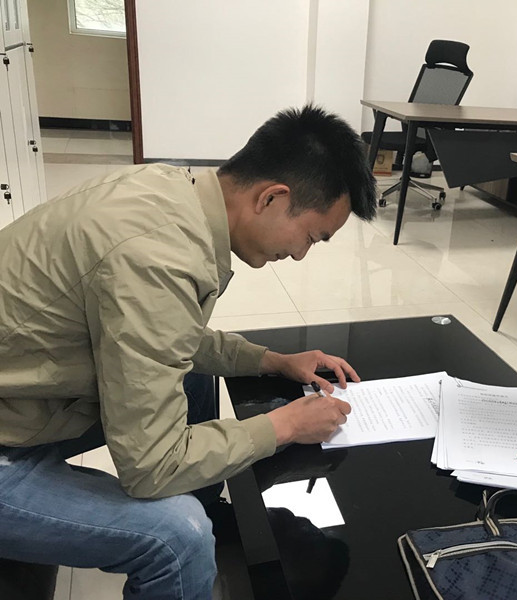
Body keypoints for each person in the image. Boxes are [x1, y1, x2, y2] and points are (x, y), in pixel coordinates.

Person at [0, 105, 377, 598]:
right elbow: (149, 466)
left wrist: (274, 361)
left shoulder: (172, 190)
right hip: (9, 437)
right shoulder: (158, 256)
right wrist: (284, 425)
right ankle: (195, 547)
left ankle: (210, 517)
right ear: (272, 197)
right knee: (179, 536)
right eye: (310, 236)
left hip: (23, 399)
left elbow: (164, 338)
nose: (301, 254)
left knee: (192, 378)